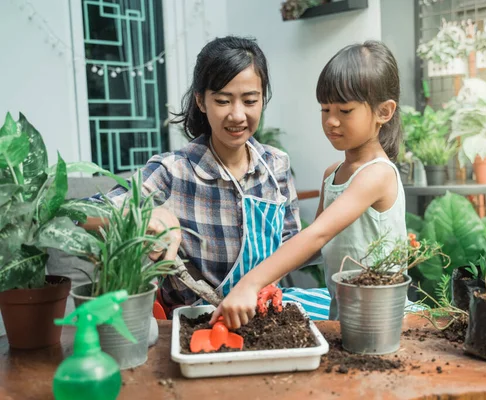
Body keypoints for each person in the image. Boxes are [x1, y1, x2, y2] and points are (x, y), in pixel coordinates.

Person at [84, 36, 330, 319]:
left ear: (263, 99)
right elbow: (81, 215)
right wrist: (147, 217)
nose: (238, 115)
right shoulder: (174, 171)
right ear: (201, 101)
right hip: (200, 320)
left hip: (262, 313)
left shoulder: (276, 166)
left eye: (250, 100)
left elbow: (291, 244)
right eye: (223, 101)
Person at [212, 40, 409, 329]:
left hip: (382, 318)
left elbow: (317, 234)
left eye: (345, 111)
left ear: (384, 112)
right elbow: (317, 246)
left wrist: (250, 283)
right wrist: (270, 277)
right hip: (345, 311)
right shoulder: (333, 173)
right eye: (325, 109)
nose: (331, 121)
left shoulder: (377, 175)